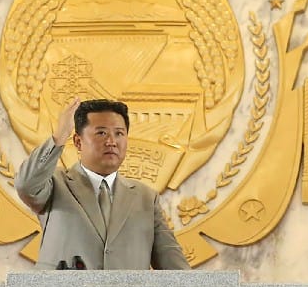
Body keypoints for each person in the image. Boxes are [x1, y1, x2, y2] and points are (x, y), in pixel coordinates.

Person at [15, 98, 190, 270]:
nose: (111, 141)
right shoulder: (55, 184)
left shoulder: (146, 198)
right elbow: (26, 185)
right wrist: (58, 138)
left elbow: (173, 263)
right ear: (78, 142)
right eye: (101, 133)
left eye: (119, 133)